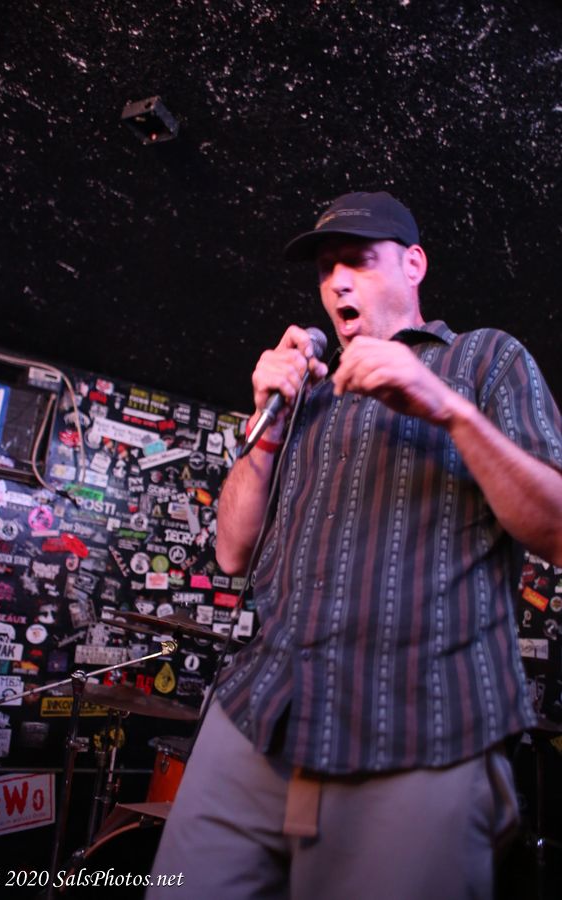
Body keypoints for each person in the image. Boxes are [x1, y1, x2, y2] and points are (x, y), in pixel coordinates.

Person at [147, 191, 562, 899]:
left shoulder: (485, 359)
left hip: (420, 728)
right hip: (260, 716)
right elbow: (232, 554)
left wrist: (449, 409)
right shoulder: (305, 396)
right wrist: (265, 428)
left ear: (413, 264)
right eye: (326, 268)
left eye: (359, 261)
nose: (337, 281)